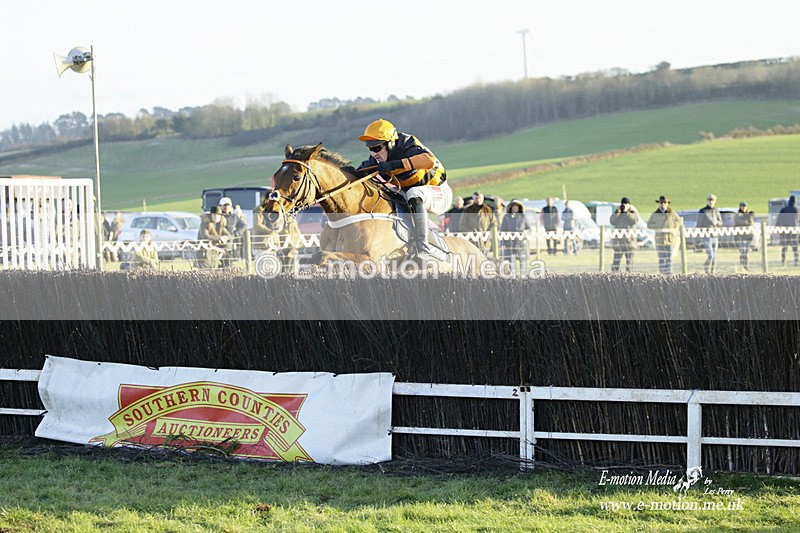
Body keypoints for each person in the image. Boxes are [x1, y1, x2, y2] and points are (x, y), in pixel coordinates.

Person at [356, 118, 451, 261]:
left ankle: (423, 249)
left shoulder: (408, 144)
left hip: (439, 193)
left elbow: (428, 160)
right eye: (370, 148)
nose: (374, 153)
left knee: (414, 193)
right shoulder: (377, 158)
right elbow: (360, 172)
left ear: (391, 143)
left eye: (376, 148)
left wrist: (394, 165)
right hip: (412, 196)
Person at [253, 191, 302, 272]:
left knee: (274, 270)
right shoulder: (259, 210)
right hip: (262, 245)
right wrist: (272, 231)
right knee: (263, 270)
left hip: (275, 245)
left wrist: (292, 244)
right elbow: (257, 225)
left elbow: (289, 229)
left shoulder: (278, 211)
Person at [647, 195, 681, 275]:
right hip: (660, 240)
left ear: (667, 203)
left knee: (669, 258)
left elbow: (679, 221)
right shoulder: (655, 214)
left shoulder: (672, 213)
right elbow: (649, 225)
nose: (663, 204)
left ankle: (669, 274)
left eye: (665, 202)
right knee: (662, 258)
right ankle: (662, 274)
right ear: (659, 203)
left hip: (670, 239)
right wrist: (658, 227)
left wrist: (673, 226)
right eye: (661, 202)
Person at [609, 197, 639, 272]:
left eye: (626, 204)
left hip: (630, 242)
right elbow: (612, 221)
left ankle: (629, 278)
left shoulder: (633, 213)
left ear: (629, 205)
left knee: (630, 263)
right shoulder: (618, 213)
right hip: (619, 242)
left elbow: (634, 220)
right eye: (623, 204)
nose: (624, 206)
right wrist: (618, 212)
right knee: (616, 263)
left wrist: (626, 212)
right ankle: (614, 276)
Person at [696, 193, 723, 273]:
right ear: (707, 201)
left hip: (715, 235)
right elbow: (699, 224)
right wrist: (700, 234)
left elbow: (720, 222)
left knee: (715, 256)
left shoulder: (716, 210)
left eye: (712, 200)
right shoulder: (703, 211)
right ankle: (706, 268)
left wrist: (716, 223)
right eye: (709, 200)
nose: (711, 202)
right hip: (706, 236)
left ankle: (712, 271)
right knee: (710, 255)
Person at [219, 196, 248, 266]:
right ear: (220, 206)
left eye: (228, 205)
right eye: (224, 205)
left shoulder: (234, 217)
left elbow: (244, 225)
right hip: (217, 244)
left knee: (229, 265)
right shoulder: (216, 216)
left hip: (229, 246)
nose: (226, 207)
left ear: (231, 206)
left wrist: (235, 234)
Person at [777, 195, 800, 267]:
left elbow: (779, 220)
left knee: (784, 247)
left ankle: (783, 262)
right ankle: (796, 262)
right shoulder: (797, 210)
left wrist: (778, 229)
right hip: (794, 231)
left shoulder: (783, 210)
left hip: (785, 231)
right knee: (795, 248)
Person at [733, 201, 755, 271]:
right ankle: (742, 265)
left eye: (745, 207)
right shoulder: (737, 215)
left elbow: (751, 223)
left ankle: (745, 265)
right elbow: (739, 222)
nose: (744, 208)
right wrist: (746, 219)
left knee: (746, 251)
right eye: (742, 207)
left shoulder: (748, 215)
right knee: (742, 251)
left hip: (747, 236)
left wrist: (749, 217)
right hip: (740, 236)